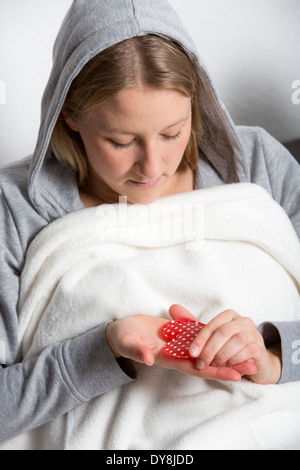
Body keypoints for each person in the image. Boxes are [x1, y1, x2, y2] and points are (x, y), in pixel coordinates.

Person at [0, 0, 299, 445]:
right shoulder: (16, 207)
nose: (152, 167)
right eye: (121, 141)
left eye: (173, 133)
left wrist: (273, 353)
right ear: (70, 114)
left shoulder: (256, 162)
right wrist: (106, 348)